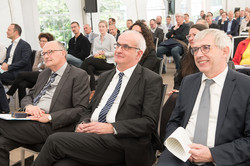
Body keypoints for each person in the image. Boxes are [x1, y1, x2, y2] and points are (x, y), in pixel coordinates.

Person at [32, 30, 163, 166]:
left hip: (123, 141)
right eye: (117, 45)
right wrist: (83, 123)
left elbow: (149, 122)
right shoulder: (105, 77)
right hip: (92, 136)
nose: (118, 50)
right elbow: (88, 109)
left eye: (126, 47)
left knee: (54, 141)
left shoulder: (150, 80)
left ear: (139, 53)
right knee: (62, 164)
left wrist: (112, 128)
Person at [157, 29, 250, 166]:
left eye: (206, 48)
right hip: (182, 155)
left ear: (225, 51)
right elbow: (174, 122)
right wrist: (179, 145)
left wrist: (213, 154)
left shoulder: (245, 86)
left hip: (222, 157)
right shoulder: (188, 82)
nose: (199, 54)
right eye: (195, 49)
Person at [0, 41, 90, 166]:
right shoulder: (44, 74)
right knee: (1, 143)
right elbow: (28, 96)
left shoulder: (78, 75)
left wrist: (49, 117)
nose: (46, 56)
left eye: (50, 52)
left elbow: (81, 109)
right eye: (44, 53)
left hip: (52, 125)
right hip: (30, 121)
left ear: (63, 53)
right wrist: (29, 106)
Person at [6, 32, 54, 104]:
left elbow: (48, 68)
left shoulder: (51, 53)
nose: (41, 42)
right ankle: (23, 107)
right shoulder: (39, 52)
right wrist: (41, 65)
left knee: (21, 74)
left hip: (46, 75)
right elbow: (34, 67)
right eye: (40, 41)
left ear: (49, 42)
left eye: (43, 41)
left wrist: (43, 62)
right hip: (37, 74)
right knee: (21, 84)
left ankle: (9, 94)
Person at [81, 20, 116, 96]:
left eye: (103, 26)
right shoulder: (96, 39)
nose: (101, 28)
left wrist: (104, 53)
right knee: (89, 68)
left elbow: (114, 52)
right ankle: (93, 90)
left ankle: (79, 80)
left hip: (108, 61)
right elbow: (93, 51)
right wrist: (97, 54)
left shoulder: (111, 38)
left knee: (87, 61)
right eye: (100, 27)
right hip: (98, 59)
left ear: (106, 28)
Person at [173, 24, 208, 90]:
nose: (190, 38)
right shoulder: (186, 56)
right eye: (189, 36)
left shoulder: (209, 57)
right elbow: (178, 79)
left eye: (195, 35)